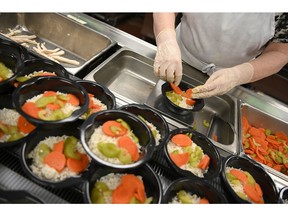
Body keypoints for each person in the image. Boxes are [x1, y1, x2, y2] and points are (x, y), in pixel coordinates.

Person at [153, 13, 288, 99]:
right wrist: (166, 40)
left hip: (229, 82)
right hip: (175, 57)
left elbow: (280, 51)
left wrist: (239, 74)